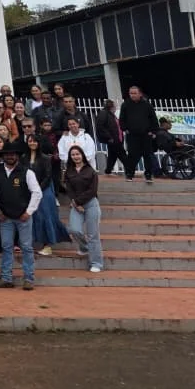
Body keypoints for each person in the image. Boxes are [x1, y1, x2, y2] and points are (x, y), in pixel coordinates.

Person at [0, 142, 40, 290]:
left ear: (17, 156)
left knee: (26, 247)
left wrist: (29, 212)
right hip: (5, 217)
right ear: (3, 156)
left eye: (12, 154)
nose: (10, 156)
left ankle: (29, 279)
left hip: (23, 217)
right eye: (7, 154)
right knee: (6, 247)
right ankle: (6, 278)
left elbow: (37, 193)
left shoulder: (27, 172)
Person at [63, 144, 104, 273]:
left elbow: (93, 190)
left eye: (77, 154)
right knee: (74, 229)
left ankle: (96, 263)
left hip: (91, 204)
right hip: (76, 205)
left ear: (82, 155)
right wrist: (75, 203)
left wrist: (78, 202)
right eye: (73, 155)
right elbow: (69, 189)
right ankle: (84, 247)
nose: (76, 156)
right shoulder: (69, 172)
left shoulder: (90, 171)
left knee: (93, 235)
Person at [118, 85, 158, 183]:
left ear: (140, 94)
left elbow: (153, 119)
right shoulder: (125, 105)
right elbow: (122, 119)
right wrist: (125, 129)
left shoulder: (147, 105)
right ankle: (129, 174)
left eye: (135, 93)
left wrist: (152, 131)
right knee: (132, 155)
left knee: (147, 155)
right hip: (132, 135)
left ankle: (148, 175)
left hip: (146, 135)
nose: (133, 95)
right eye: (131, 93)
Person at [95, 99, 125, 176]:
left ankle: (108, 171)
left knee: (112, 156)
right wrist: (109, 137)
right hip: (113, 139)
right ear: (111, 107)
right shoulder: (104, 113)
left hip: (117, 139)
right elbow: (100, 127)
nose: (115, 108)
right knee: (123, 155)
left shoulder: (111, 115)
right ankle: (130, 170)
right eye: (115, 106)